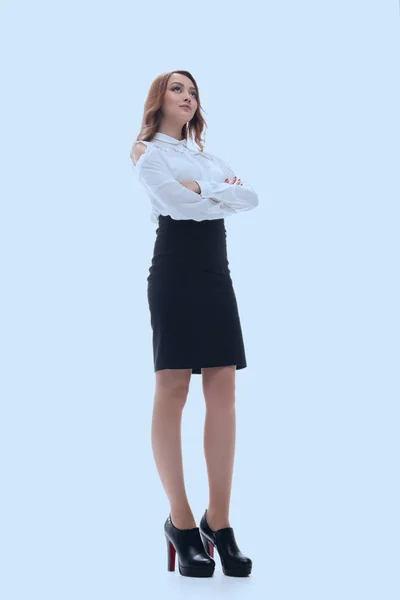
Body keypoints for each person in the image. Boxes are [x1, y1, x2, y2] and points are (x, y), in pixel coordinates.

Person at [129, 70, 258, 578]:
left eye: (193, 91)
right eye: (177, 88)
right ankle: (181, 524)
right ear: (158, 98)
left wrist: (202, 186)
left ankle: (219, 523)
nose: (188, 96)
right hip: (176, 273)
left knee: (223, 388)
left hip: (216, 274)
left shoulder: (209, 158)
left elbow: (249, 198)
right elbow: (176, 205)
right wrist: (214, 193)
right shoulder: (148, 152)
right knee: (173, 388)